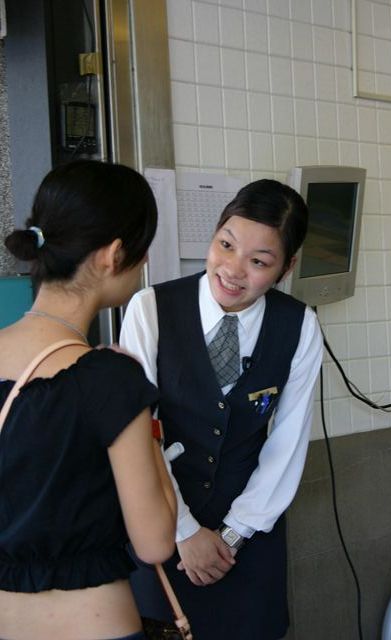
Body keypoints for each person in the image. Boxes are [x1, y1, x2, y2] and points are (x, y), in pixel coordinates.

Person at [120, 178, 324, 640]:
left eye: (259, 261)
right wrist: (185, 532)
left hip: (247, 540)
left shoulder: (299, 326)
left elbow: (288, 442)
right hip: (161, 530)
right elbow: (136, 433)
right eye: (226, 245)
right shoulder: (150, 309)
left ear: (287, 267)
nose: (232, 270)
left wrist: (233, 534)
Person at [0, 160, 177, 640]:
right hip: (96, 625)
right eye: (142, 249)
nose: (144, 261)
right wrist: (145, 419)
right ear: (113, 255)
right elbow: (155, 543)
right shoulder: (111, 379)